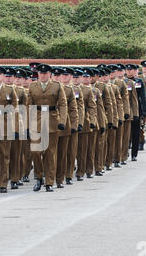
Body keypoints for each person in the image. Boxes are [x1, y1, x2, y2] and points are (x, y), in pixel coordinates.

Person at [28, 64, 67, 192]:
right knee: (35, 151)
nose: (43, 75)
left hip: (51, 120)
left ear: (49, 74)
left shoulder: (57, 86)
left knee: (50, 153)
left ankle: (49, 181)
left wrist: (62, 121)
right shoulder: (33, 86)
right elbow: (29, 106)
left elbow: (62, 104)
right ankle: (39, 177)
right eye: (41, 73)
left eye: (45, 73)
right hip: (37, 120)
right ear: (38, 74)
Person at [55, 67, 79, 188]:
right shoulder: (49, 90)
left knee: (66, 153)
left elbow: (74, 109)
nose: (62, 77)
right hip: (50, 124)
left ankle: (67, 175)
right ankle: (50, 175)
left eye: (65, 75)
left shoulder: (70, 90)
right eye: (59, 75)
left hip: (65, 125)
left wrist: (75, 125)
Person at [75, 68, 98, 182]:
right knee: (75, 150)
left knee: (84, 150)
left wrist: (93, 121)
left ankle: (84, 171)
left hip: (84, 123)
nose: (78, 79)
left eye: (79, 77)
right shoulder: (68, 89)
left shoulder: (88, 91)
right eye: (75, 77)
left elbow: (92, 107)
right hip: (72, 123)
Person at [129, 64, 146, 161]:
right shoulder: (124, 82)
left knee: (136, 133)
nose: (129, 71)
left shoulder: (139, 82)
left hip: (137, 111)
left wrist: (145, 112)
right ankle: (124, 153)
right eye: (128, 70)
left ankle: (134, 154)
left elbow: (143, 97)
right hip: (126, 111)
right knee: (125, 134)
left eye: (132, 70)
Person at [121, 64, 139, 165]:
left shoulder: (131, 83)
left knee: (128, 136)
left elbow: (134, 100)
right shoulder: (114, 84)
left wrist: (136, 114)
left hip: (129, 113)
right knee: (119, 137)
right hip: (117, 113)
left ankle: (126, 155)